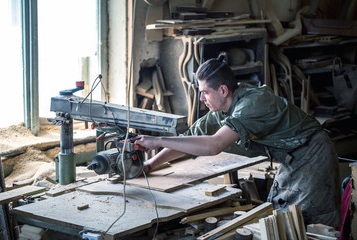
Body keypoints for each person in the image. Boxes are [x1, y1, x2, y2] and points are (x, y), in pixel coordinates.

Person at [135, 52, 341, 227]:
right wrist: (150, 165)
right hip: (292, 156)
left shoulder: (252, 104)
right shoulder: (223, 109)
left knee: (306, 221)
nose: (201, 99)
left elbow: (214, 145)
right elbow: (187, 140)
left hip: (312, 153)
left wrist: (159, 140)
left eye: (205, 93)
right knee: (281, 214)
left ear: (223, 90)